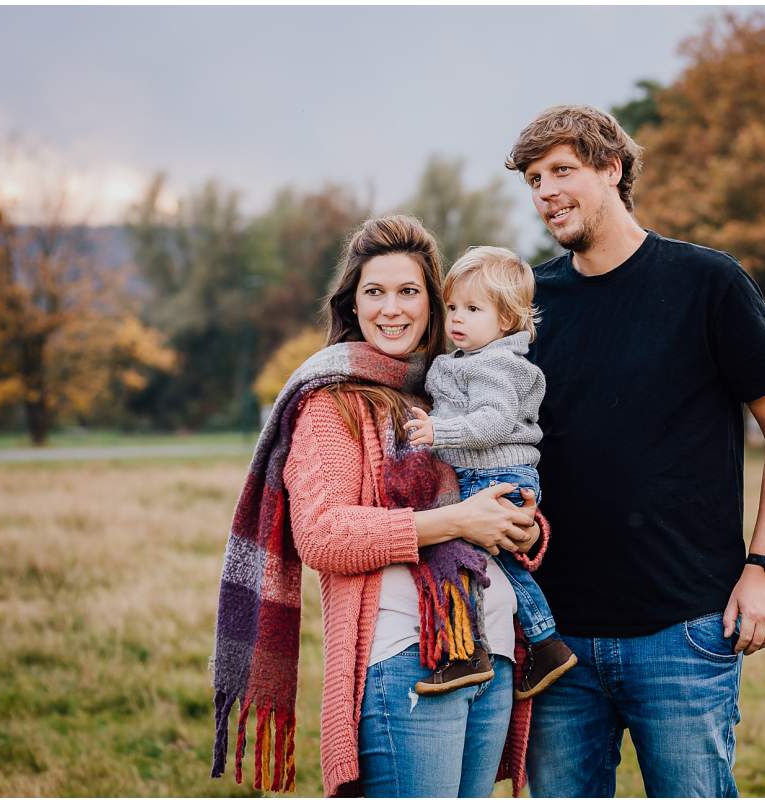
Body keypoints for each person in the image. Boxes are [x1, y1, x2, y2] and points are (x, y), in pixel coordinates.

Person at [504, 105, 765, 796]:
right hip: (555, 642)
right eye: (532, 178)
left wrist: (763, 567)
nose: (545, 190)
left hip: (683, 632)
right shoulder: (531, 304)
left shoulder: (707, 283)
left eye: (562, 170)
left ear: (612, 169)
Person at [210, 215, 548, 797]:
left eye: (408, 292)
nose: (392, 309)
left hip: (492, 648)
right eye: (375, 292)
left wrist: (524, 527)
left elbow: (500, 486)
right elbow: (322, 533)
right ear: (353, 303)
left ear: (433, 303)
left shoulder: (449, 389)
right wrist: (456, 522)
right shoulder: (330, 402)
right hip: (406, 656)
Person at [404, 245, 578, 700]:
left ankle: (469, 652)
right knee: (504, 566)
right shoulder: (467, 359)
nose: (458, 318)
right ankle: (546, 644)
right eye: (454, 306)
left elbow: (495, 421)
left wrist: (439, 431)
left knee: (459, 555)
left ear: (506, 320)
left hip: (495, 476)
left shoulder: (496, 363)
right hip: (492, 476)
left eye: (473, 309)